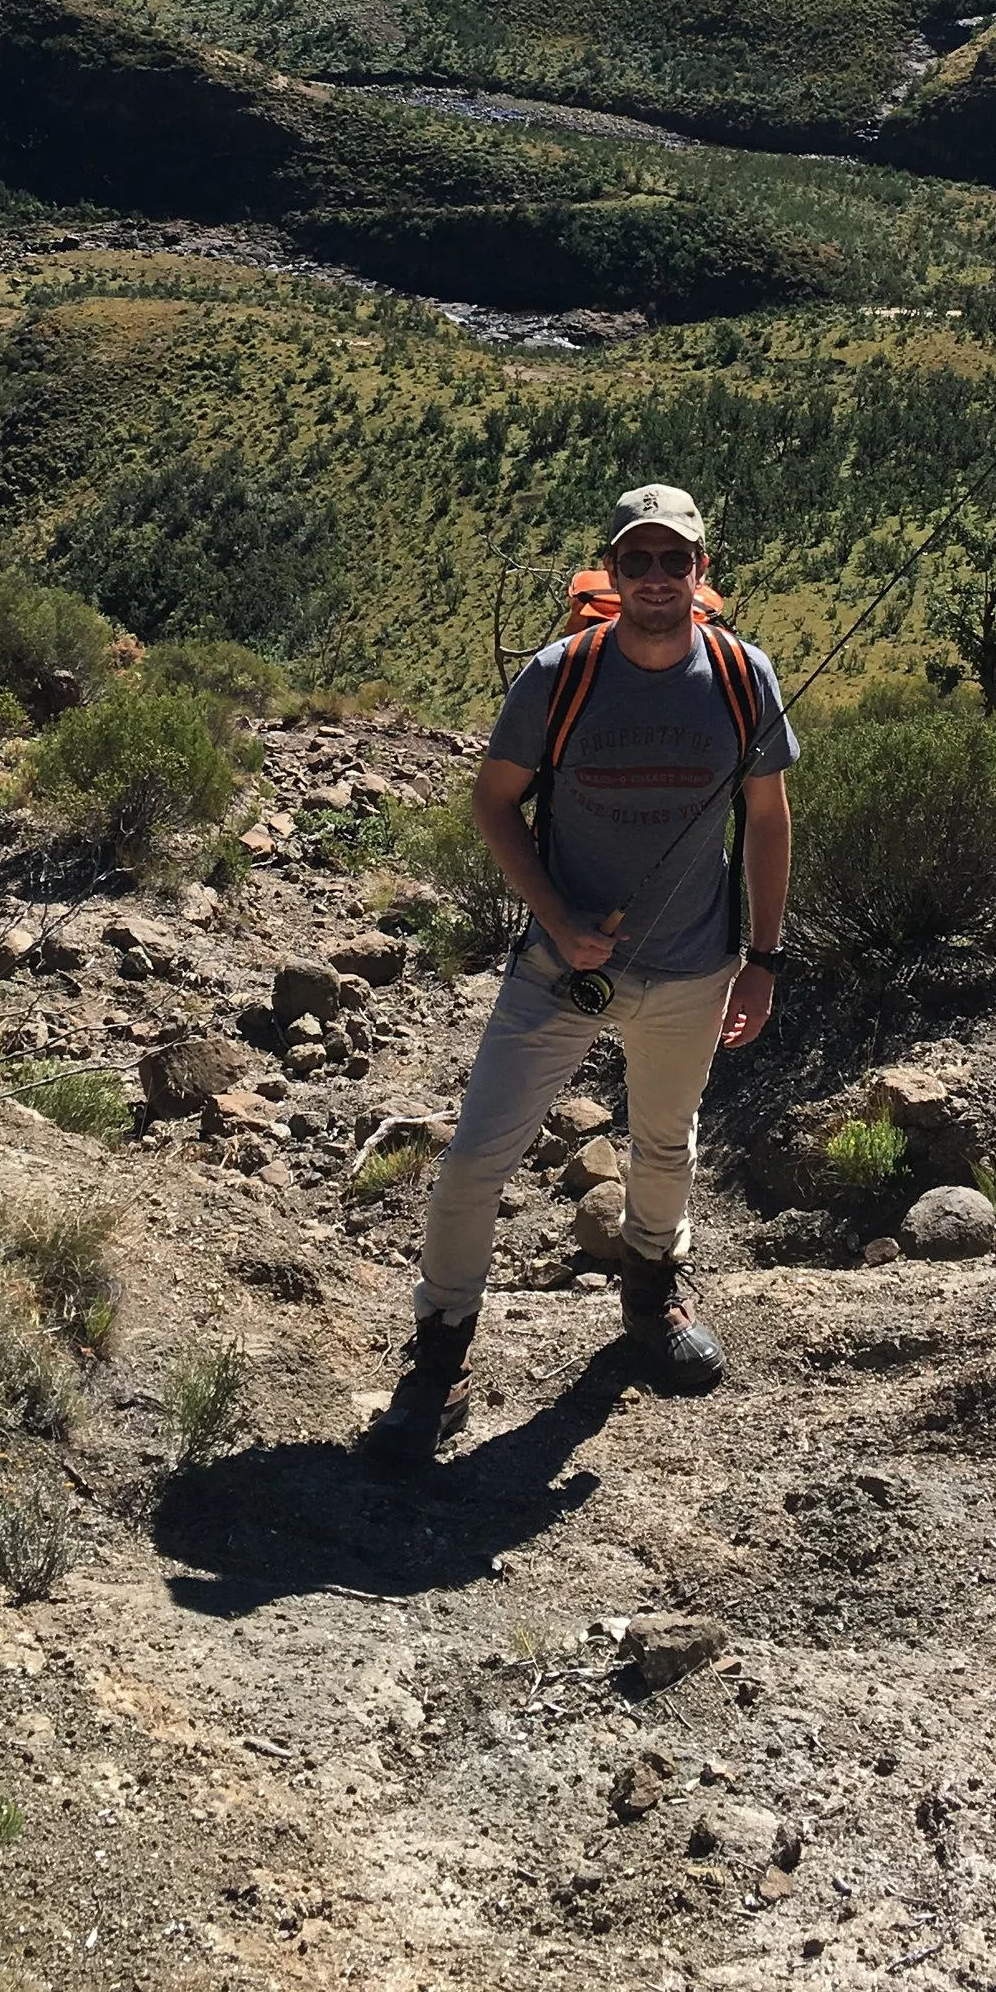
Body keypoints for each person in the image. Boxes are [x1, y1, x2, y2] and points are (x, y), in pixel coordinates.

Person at [363, 482, 799, 1463]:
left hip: (695, 965)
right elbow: (491, 805)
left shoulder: (741, 676)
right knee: (477, 1157)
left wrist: (763, 962)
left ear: (700, 570)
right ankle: (439, 1356)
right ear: (612, 570)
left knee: (666, 1145)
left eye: (672, 560)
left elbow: (766, 821)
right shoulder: (558, 677)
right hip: (559, 968)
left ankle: (651, 1298)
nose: (654, 579)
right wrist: (555, 916)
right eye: (635, 560)